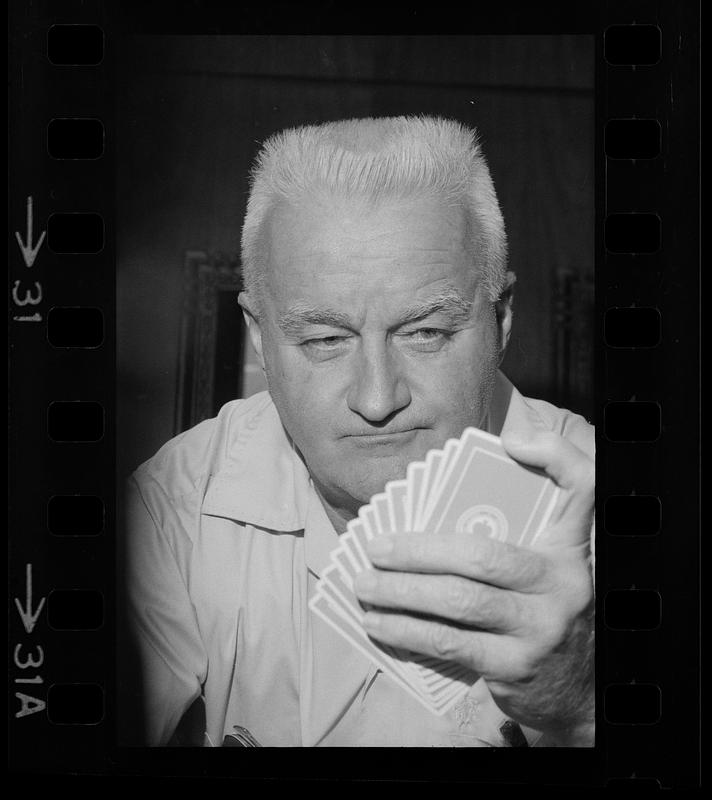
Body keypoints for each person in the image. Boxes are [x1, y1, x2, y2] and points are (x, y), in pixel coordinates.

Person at [121, 115, 595, 748]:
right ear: (260, 339)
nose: (377, 399)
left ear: (501, 320)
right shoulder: (170, 509)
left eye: (426, 333)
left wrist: (582, 706)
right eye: (323, 339)